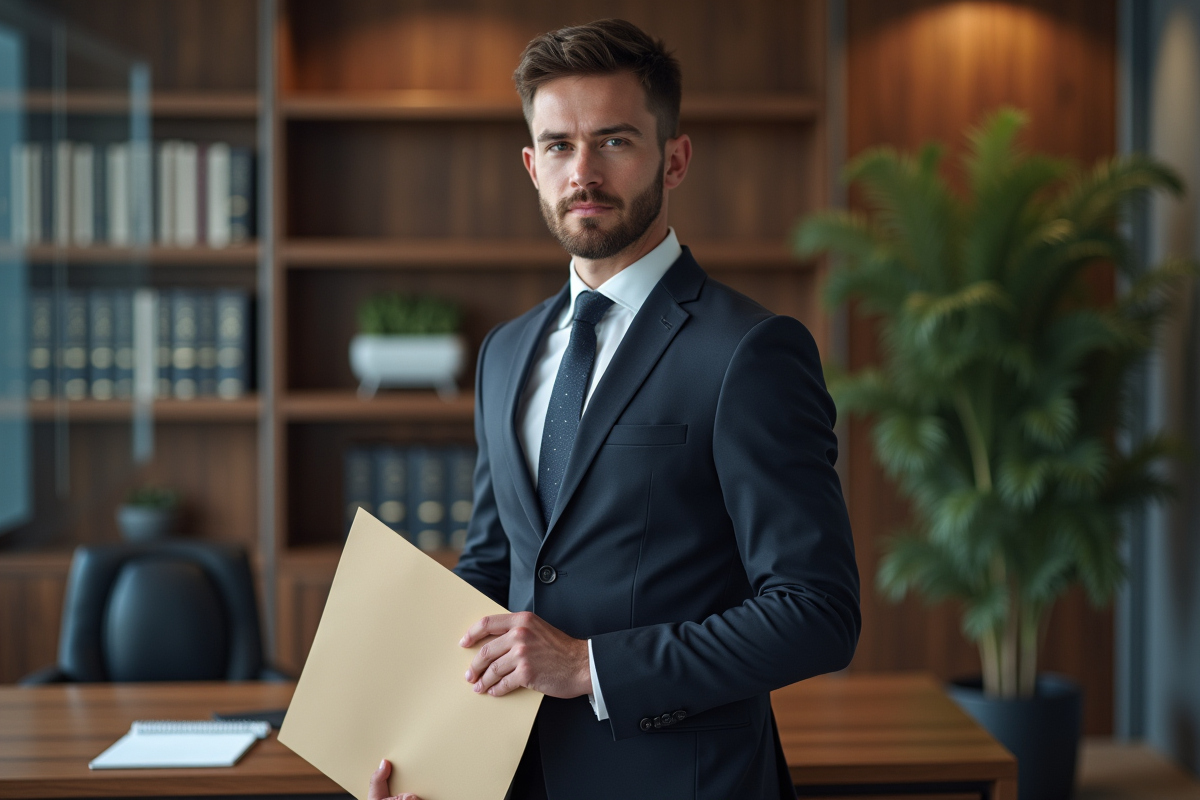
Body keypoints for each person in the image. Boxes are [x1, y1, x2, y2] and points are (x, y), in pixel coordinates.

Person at [367, 18, 860, 800]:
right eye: (559, 146)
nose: (583, 172)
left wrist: (590, 665)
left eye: (615, 141)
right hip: (513, 780)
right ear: (532, 165)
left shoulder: (751, 351)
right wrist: (424, 747)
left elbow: (817, 612)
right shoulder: (504, 352)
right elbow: (495, 571)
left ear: (675, 159)